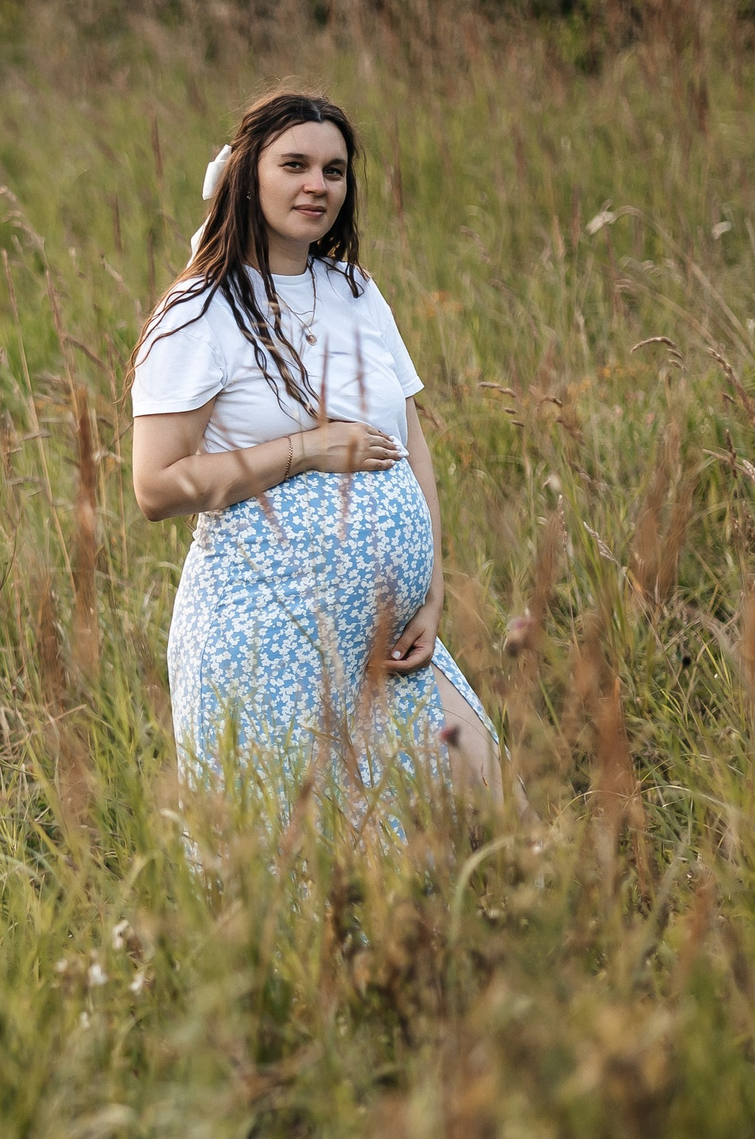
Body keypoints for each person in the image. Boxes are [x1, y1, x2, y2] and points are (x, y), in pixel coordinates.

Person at [129, 89, 497, 804]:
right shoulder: (198, 312)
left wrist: (430, 594)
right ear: (247, 173)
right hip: (267, 637)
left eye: (334, 170)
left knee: (489, 802)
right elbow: (156, 486)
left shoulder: (355, 290)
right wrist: (307, 449)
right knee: (317, 847)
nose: (317, 186)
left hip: (387, 634)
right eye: (294, 165)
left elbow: (411, 440)